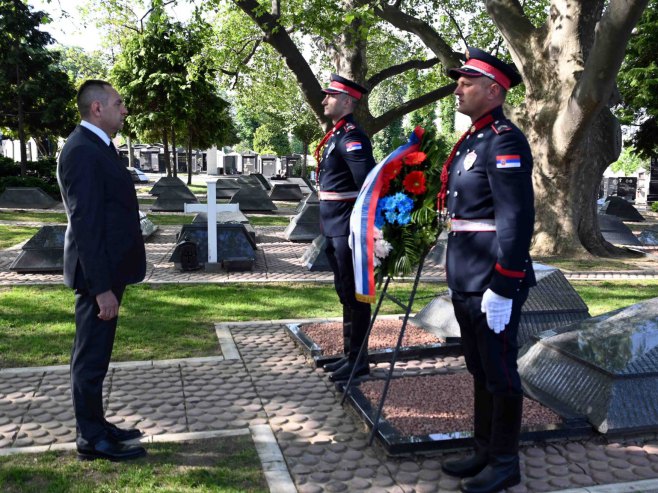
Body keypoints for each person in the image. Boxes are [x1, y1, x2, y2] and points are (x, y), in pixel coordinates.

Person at [438, 49, 536, 493]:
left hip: (492, 279)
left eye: (467, 81)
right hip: (466, 274)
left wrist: (505, 283)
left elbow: (515, 218)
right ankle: (483, 449)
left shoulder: (504, 139)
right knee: (478, 367)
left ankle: (504, 462)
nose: (457, 87)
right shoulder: (475, 140)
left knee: (500, 370)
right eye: (459, 81)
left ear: (494, 90)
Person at [57, 80, 147, 462]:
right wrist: (101, 289)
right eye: (118, 103)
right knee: (90, 359)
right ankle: (90, 438)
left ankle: (96, 424)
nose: (124, 110)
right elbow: (85, 223)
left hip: (109, 272)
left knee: (97, 356)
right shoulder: (81, 151)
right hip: (98, 277)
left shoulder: (98, 146)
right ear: (97, 108)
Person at [315, 74, 376, 382]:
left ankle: (358, 360)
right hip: (333, 225)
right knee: (344, 291)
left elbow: (366, 183)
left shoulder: (352, 136)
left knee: (355, 294)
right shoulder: (337, 135)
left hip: (347, 227)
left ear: (347, 101)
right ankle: (349, 354)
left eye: (330, 96)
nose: (324, 100)